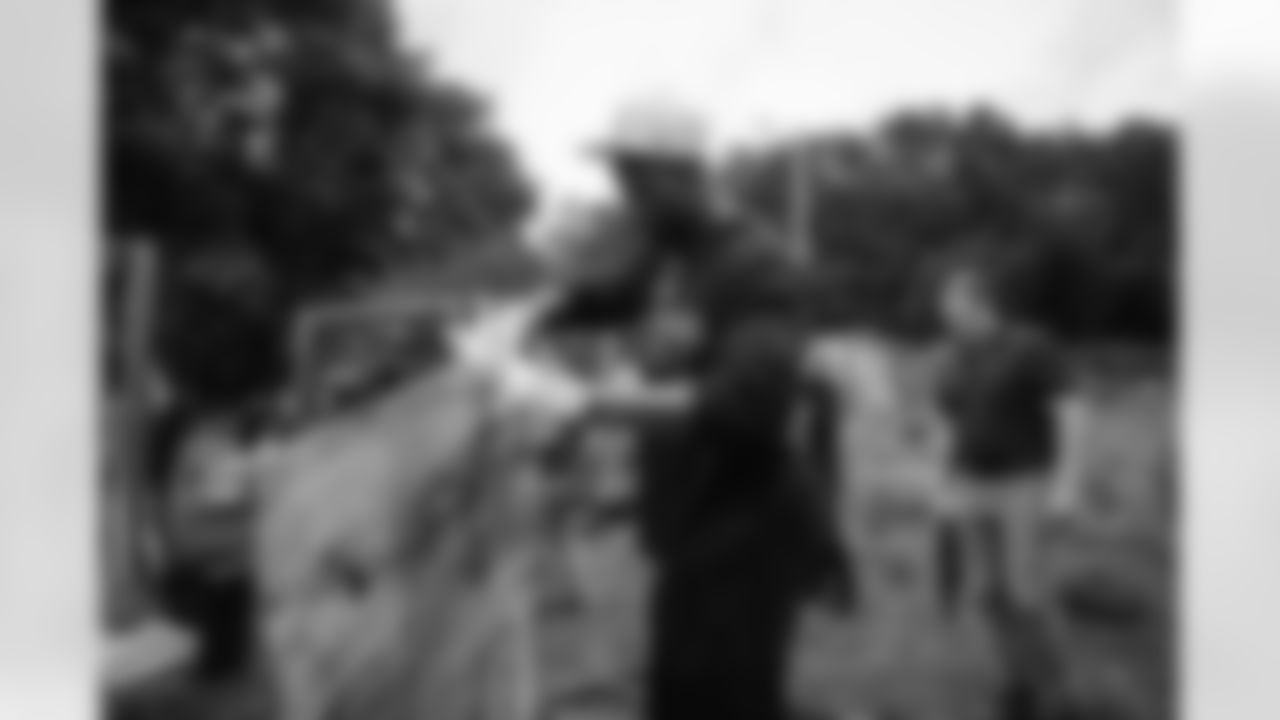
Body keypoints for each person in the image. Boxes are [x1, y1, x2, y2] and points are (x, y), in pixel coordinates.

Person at [545, 100, 853, 720]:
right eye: (619, 179)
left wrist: (581, 402)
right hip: (690, 526)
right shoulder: (672, 250)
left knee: (724, 705)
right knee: (677, 699)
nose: (626, 197)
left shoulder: (761, 264)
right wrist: (527, 316)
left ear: (680, 173)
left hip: (745, 537)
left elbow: (743, 407)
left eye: (634, 180)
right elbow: (609, 297)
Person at [928, 250, 1086, 718]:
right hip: (971, 485)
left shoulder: (1030, 345)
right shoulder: (950, 359)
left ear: (982, 303)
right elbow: (949, 427)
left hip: (1025, 482)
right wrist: (943, 485)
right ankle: (1017, 686)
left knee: (1026, 595)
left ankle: (1060, 695)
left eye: (951, 304)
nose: (945, 314)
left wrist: (1068, 483)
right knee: (988, 595)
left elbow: (1071, 411)